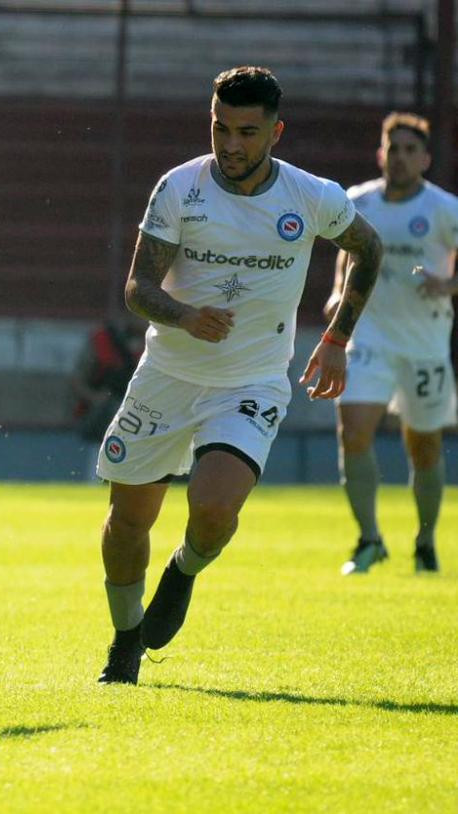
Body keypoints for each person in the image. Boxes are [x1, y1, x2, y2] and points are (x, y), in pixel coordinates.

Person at [94, 66, 383, 685]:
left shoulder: (311, 197)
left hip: (251, 381)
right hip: (167, 375)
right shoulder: (180, 188)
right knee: (126, 523)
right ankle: (124, 642)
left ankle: (184, 571)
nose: (230, 145)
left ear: (276, 132)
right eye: (221, 128)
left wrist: (336, 339)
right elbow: (138, 289)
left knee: (215, 507)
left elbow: (368, 248)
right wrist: (184, 315)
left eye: (247, 132)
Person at [327, 113, 457, 576]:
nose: (400, 157)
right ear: (381, 154)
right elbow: (350, 253)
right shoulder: (357, 202)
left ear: (424, 158)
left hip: (424, 346)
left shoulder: (445, 209)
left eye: (409, 150)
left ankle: (424, 541)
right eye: (392, 148)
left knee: (422, 448)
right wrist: (338, 292)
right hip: (370, 340)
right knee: (354, 432)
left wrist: (450, 283)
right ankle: (369, 539)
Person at [68, 313, 145, 441]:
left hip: (140, 413)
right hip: (100, 415)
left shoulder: (157, 345)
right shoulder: (104, 339)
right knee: (117, 410)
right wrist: (95, 398)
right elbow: (76, 381)